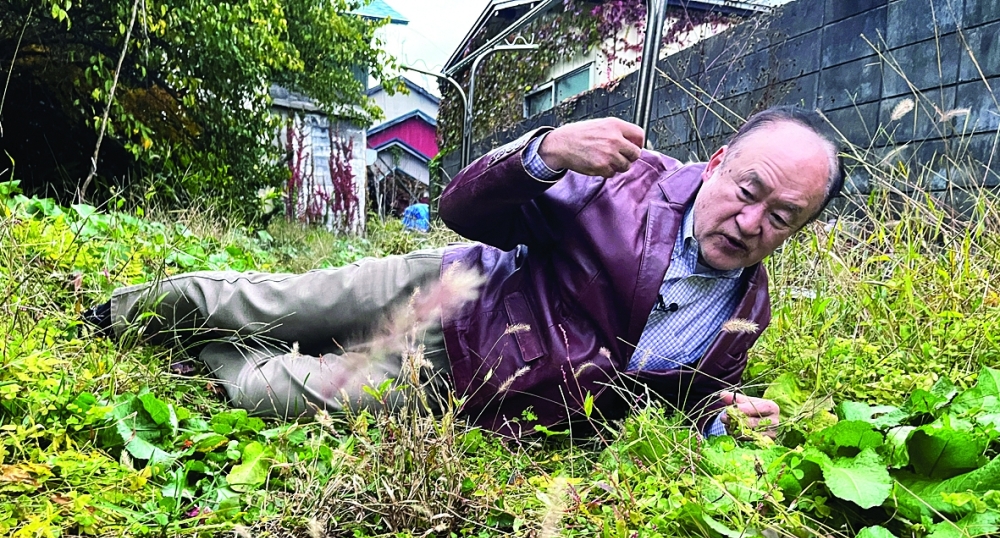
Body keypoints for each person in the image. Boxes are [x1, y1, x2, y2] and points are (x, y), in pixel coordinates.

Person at [86, 106, 844, 437]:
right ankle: (122, 313)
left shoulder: (744, 314)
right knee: (273, 303)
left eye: (782, 217)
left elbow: (676, 400)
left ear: (801, 227)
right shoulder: (625, 181)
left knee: (275, 393)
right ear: (718, 162)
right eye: (748, 190)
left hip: (462, 382)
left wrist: (719, 417)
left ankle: (200, 358)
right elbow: (462, 207)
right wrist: (544, 153)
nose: (752, 222)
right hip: (453, 287)